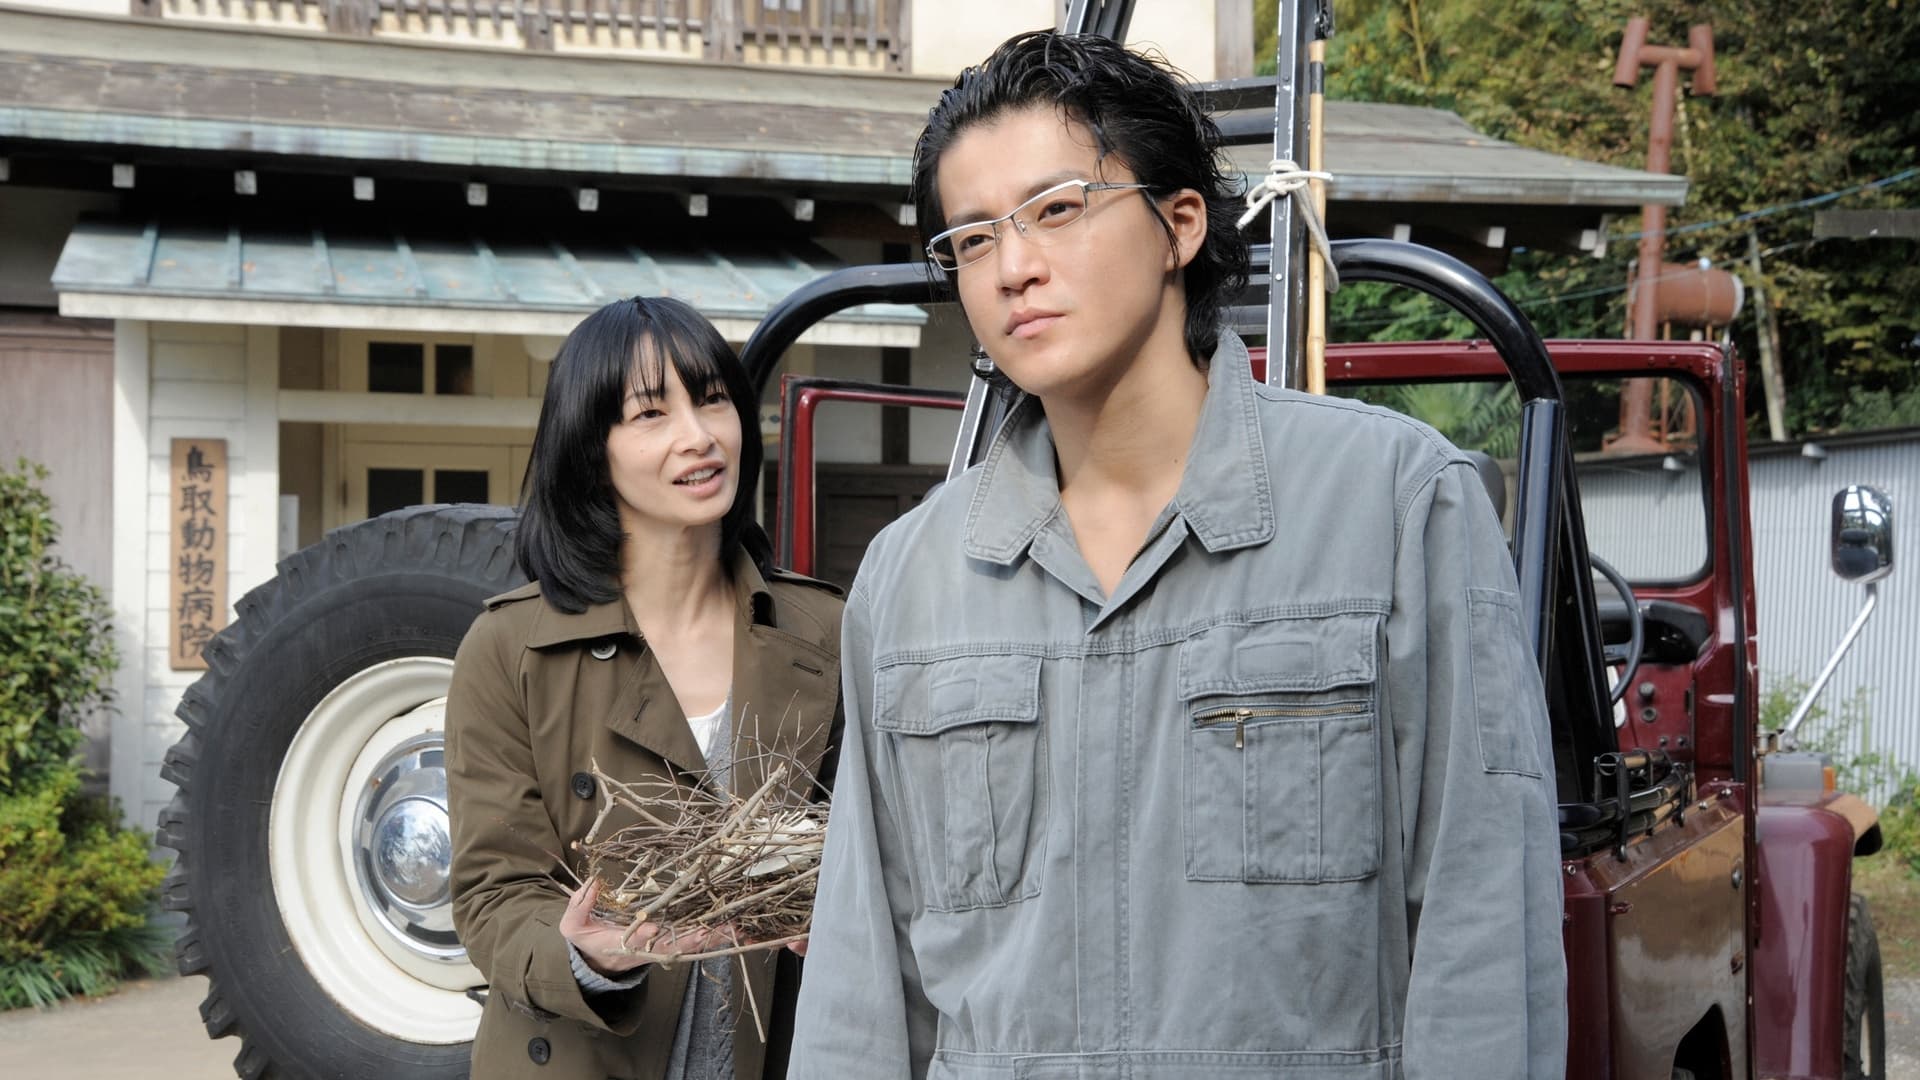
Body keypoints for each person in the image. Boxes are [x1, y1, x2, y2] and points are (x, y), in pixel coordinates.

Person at [790, 30, 1565, 1080]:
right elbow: (860, 982)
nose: (1013, 267)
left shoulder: (1393, 504)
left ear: (1180, 225)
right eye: (971, 239)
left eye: (1056, 209)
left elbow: (1483, 924)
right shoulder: (911, 578)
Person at [446, 295, 844, 1080]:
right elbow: (494, 893)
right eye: (652, 413)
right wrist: (587, 955)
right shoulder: (511, 649)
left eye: (713, 400)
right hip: (583, 1056)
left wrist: (839, 909)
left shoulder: (824, 632)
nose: (699, 436)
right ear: (591, 450)